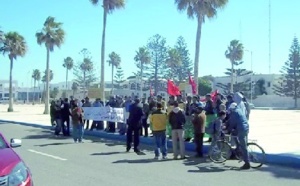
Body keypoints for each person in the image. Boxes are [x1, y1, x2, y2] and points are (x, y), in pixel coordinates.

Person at [227, 102, 250, 169]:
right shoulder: (239, 110)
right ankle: (239, 152)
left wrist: (228, 129)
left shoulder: (235, 113)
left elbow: (232, 123)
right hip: (246, 128)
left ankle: (247, 163)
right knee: (239, 141)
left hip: (241, 129)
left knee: (243, 146)